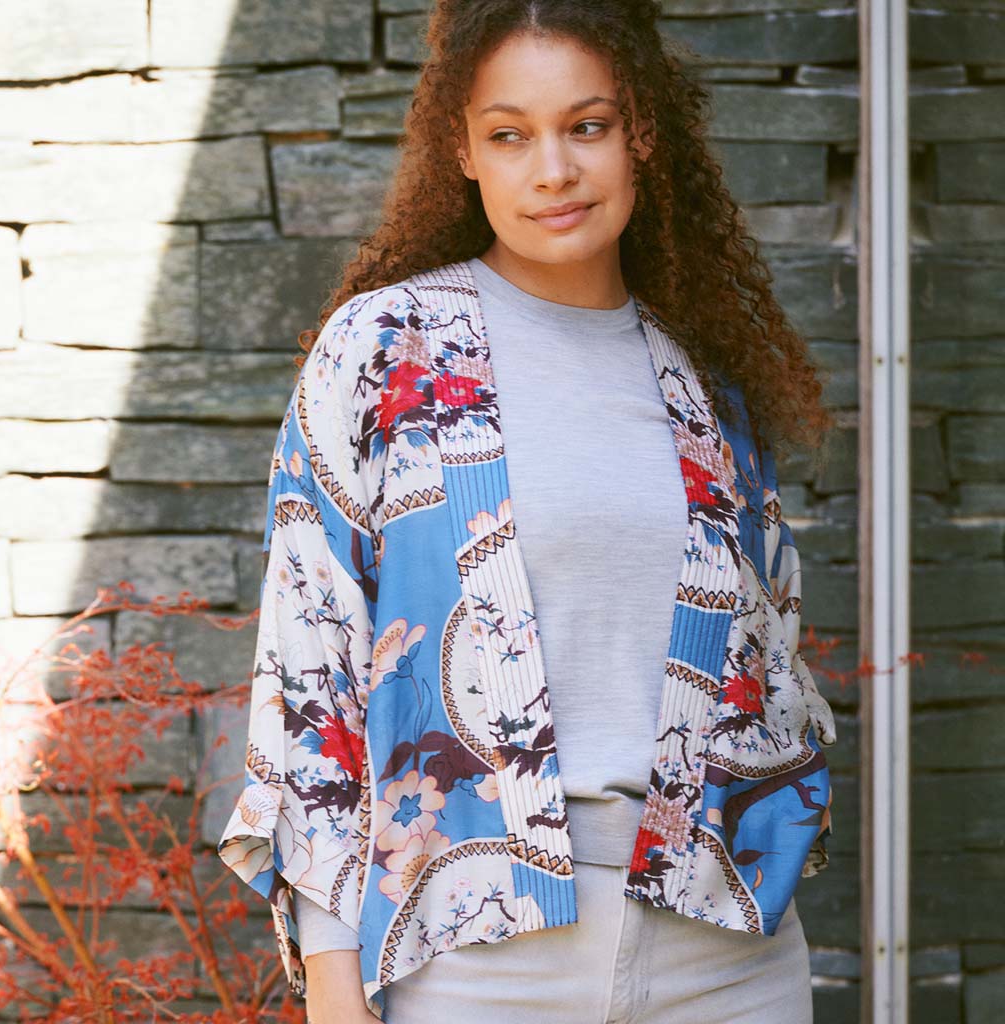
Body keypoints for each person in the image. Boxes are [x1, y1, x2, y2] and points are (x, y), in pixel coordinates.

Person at [216, 2, 839, 1022]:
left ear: (641, 132)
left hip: (724, 963)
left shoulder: (702, 386)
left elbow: (771, 653)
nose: (553, 169)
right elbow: (309, 664)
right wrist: (332, 968)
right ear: (461, 148)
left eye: (586, 126)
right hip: (477, 959)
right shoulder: (385, 352)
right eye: (510, 135)